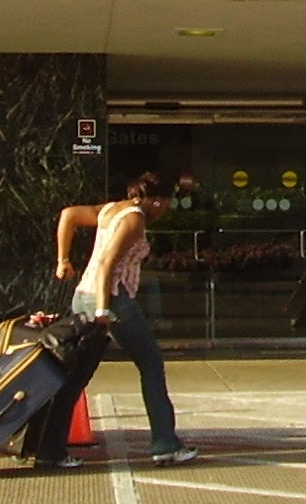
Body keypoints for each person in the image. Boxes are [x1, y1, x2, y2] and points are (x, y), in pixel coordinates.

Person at [53, 172, 198, 466]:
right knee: (151, 363)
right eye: (166, 203)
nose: (166, 210)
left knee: (76, 375)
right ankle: (165, 443)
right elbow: (108, 263)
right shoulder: (134, 220)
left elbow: (69, 215)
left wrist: (63, 260)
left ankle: (51, 449)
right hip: (112, 299)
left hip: (83, 294)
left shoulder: (111, 209)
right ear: (157, 201)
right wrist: (104, 312)